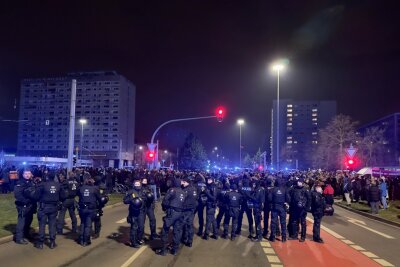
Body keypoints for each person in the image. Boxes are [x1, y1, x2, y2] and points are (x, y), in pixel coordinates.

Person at [34, 171, 67, 249]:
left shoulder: (42, 185)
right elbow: (63, 196)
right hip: (54, 207)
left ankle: (41, 243)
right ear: (54, 177)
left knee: (42, 225)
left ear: (47, 177)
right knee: (52, 224)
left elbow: (36, 196)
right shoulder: (58, 185)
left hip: (43, 207)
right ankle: (52, 242)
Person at [156, 178, 185, 256]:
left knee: (165, 230)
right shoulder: (183, 191)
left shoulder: (172, 190)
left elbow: (165, 200)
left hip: (172, 212)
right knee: (177, 231)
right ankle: (175, 250)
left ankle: (164, 250)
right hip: (180, 213)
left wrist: (164, 208)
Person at [14, 169, 36, 244]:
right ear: (23, 175)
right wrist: (25, 201)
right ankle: (19, 238)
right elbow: (17, 195)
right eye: (26, 173)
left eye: (29, 173)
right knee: (22, 221)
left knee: (29, 220)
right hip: (23, 205)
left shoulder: (31, 182)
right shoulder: (20, 183)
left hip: (30, 205)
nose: (27, 175)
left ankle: (26, 234)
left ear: (31, 174)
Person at [77, 175, 101, 246]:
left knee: (82, 223)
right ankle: (86, 240)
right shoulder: (95, 189)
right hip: (90, 209)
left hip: (82, 209)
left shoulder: (81, 188)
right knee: (88, 225)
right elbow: (99, 198)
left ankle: (81, 239)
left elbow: (78, 195)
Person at [124, 179, 146, 248]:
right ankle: (133, 242)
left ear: (140, 184)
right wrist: (132, 200)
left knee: (141, 227)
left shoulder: (143, 191)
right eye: (136, 184)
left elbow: (147, 199)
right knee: (134, 227)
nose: (137, 186)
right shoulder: (131, 191)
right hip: (133, 212)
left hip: (141, 212)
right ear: (134, 185)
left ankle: (138, 239)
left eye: (138, 184)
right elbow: (125, 200)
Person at [288, 177, 310, 242]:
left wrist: (307, 208)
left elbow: (309, 199)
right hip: (295, 208)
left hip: (302, 209)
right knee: (294, 222)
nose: (298, 183)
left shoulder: (306, 190)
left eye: (300, 182)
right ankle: (294, 235)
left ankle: (303, 237)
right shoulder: (294, 189)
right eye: (298, 181)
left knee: (303, 223)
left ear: (303, 183)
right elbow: (290, 196)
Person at [269, 178, 290, 242]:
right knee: (283, 222)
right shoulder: (285, 190)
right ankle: (284, 237)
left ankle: (273, 236)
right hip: (282, 207)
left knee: (273, 222)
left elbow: (269, 198)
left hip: (275, 207)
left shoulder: (272, 190)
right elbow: (288, 199)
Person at [181, 176, 198, 247]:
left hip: (186, 210)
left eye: (183, 182)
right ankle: (190, 241)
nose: (182, 183)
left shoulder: (185, 190)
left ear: (186, 182)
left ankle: (184, 238)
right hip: (192, 210)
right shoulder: (194, 189)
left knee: (184, 225)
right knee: (190, 225)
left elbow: (182, 200)